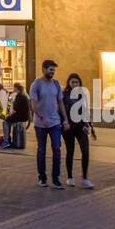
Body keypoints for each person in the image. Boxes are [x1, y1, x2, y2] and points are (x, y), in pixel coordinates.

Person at [30, 59, 69, 188]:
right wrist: (41, 118)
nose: (52, 72)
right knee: (41, 150)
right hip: (40, 123)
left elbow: (60, 102)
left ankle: (56, 178)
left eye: (54, 70)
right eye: (50, 69)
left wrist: (65, 119)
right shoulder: (37, 84)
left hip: (54, 122)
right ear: (44, 69)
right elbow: (34, 104)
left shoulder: (56, 84)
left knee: (57, 149)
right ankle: (42, 177)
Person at [62, 73, 93, 188]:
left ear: (80, 83)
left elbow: (86, 111)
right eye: (72, 82)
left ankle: (85, 178)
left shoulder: (83, 95)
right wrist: (64, 123)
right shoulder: (65, 95)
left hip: (80, 127)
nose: (74, 84)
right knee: (70, 151)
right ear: (69, 83)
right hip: (69, 127)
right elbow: (62, 110)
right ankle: (70, 177)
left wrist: (88, 125)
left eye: (76, 82)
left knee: (85, 150)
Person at [0, 81, 30, 150]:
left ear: (16, 88)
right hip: (23, 115)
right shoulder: (23, 94)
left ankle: (6, 141)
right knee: (9, 119)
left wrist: (13, 101)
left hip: (21, 116)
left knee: (5, 121)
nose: (13, 88)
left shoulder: (20, 96)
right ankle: (8, 139)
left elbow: (16, 108)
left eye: (14, 87)